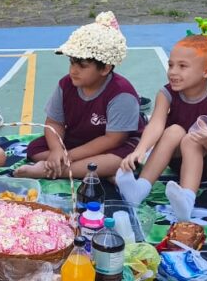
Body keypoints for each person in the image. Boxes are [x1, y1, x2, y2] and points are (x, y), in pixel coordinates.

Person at [117, 13, 207, 220]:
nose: (172, 72)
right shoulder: (166, 92)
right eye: (171, 65)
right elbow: (155, 124)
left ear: (206, 71)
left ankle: (187, 200)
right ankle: (139, 189)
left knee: (191, 139)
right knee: (174, 130)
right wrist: (140, 151)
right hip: (177, 161)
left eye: (182, 66)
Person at [15, 12, 144, 179]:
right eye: (71, 63)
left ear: (105, 68)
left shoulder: (122, 93)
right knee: (35, 149)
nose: (73, 70)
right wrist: (57, 150)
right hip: (78, 140)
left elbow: (113, 139)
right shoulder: (65, 84)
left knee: (118, 160)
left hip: (115, 144)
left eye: (82, 66)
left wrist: (69, 156)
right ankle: (96, 171)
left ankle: (51, 171)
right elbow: (54, 122)